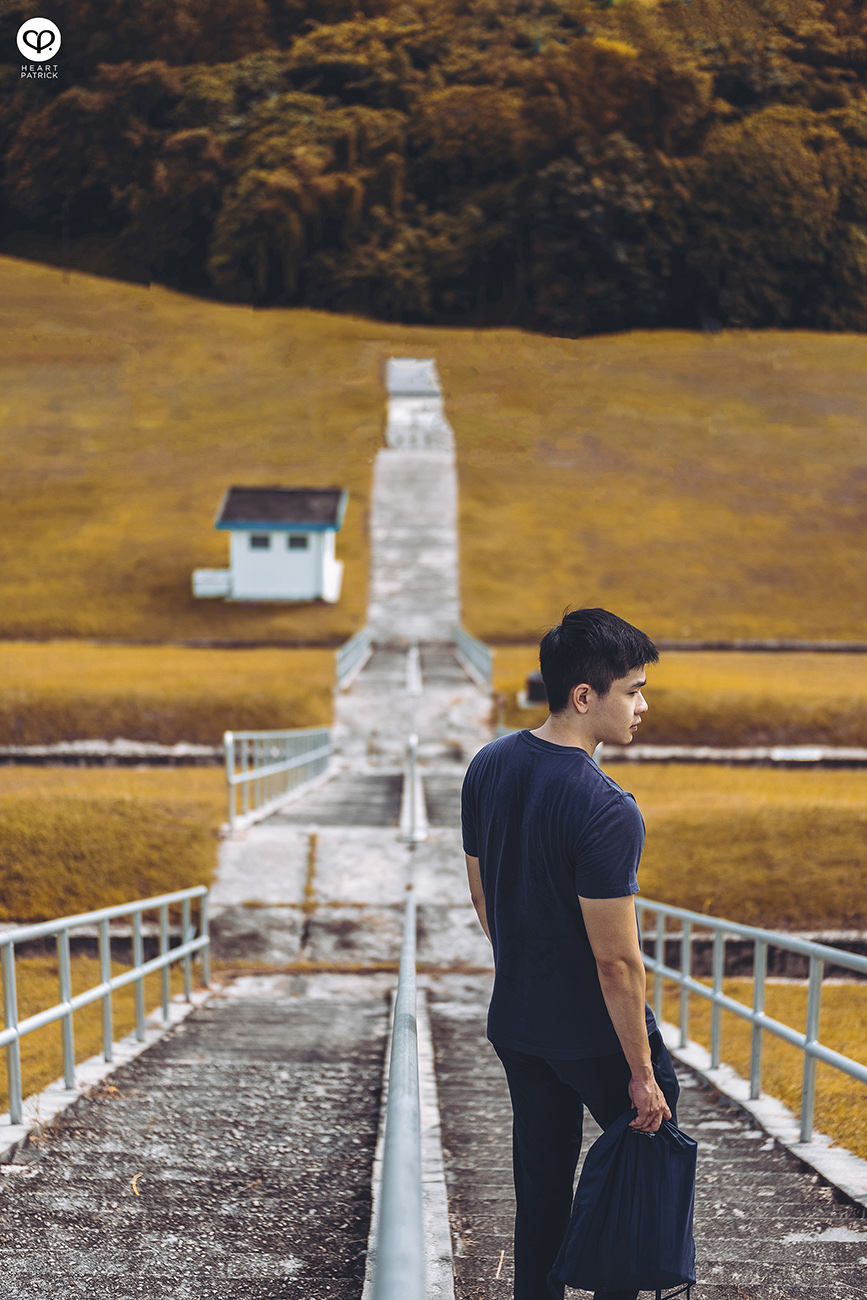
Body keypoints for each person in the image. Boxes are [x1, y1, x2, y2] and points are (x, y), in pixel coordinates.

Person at [460, 607, 681, 1300]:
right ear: (585, 697)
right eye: (633, 690)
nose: (642, 706)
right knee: (639, 1173)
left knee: (542, 1190)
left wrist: (531, 968)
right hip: (593, 1035)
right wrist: (641, 1072)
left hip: (519, 1024)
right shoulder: (605, 805)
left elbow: (483, 897)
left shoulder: (488, 764)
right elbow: (617, 964)